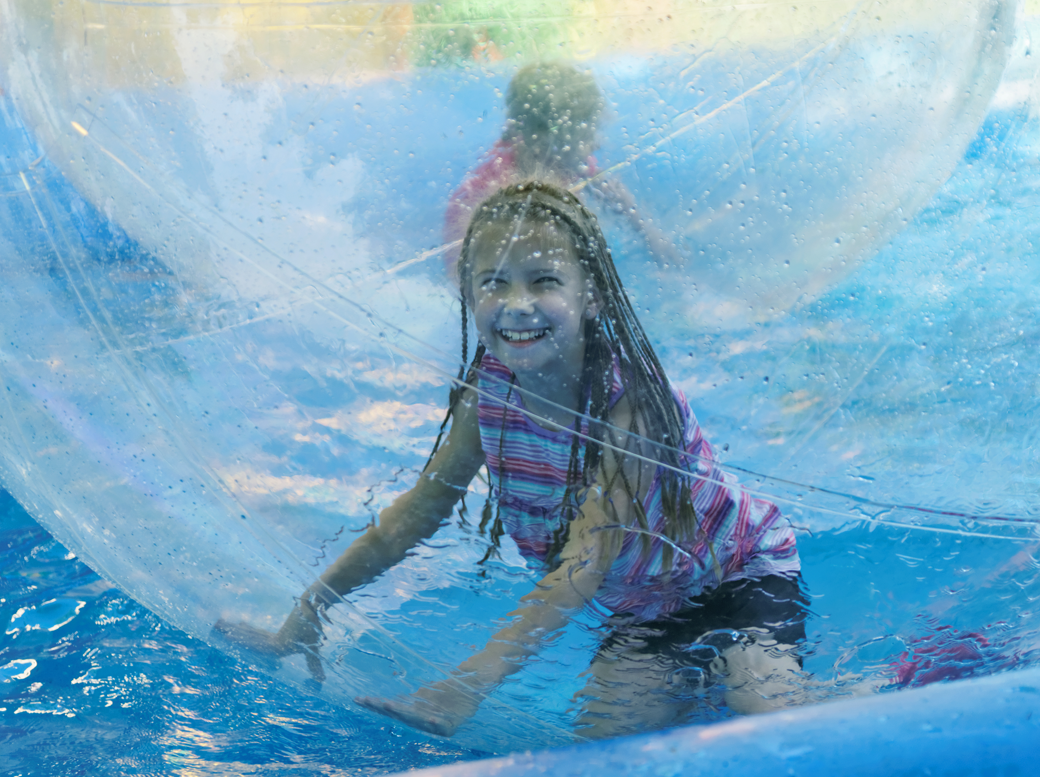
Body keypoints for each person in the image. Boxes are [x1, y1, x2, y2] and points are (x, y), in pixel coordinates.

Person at [219, 182, 806, 739]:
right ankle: (697, 675)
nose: (516, 304)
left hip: (738, 576)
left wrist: (461, 687)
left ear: (592, 295)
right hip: (648, 606)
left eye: (543, 280)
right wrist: (308, 609)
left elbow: (585, 562)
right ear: (468, 293)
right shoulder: (489, 393)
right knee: (607, 742)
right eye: (494, 282)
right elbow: (414, 516)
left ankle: (882, 694)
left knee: (762, 712)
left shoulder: (631, 405)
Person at [440, 62, 678, 281]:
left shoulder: (562, 158)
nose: (597, 143)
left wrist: (651, 235)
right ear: (541, 143)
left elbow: (610, 189)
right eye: (587, 135)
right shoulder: (492, 194)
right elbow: (462, 277)